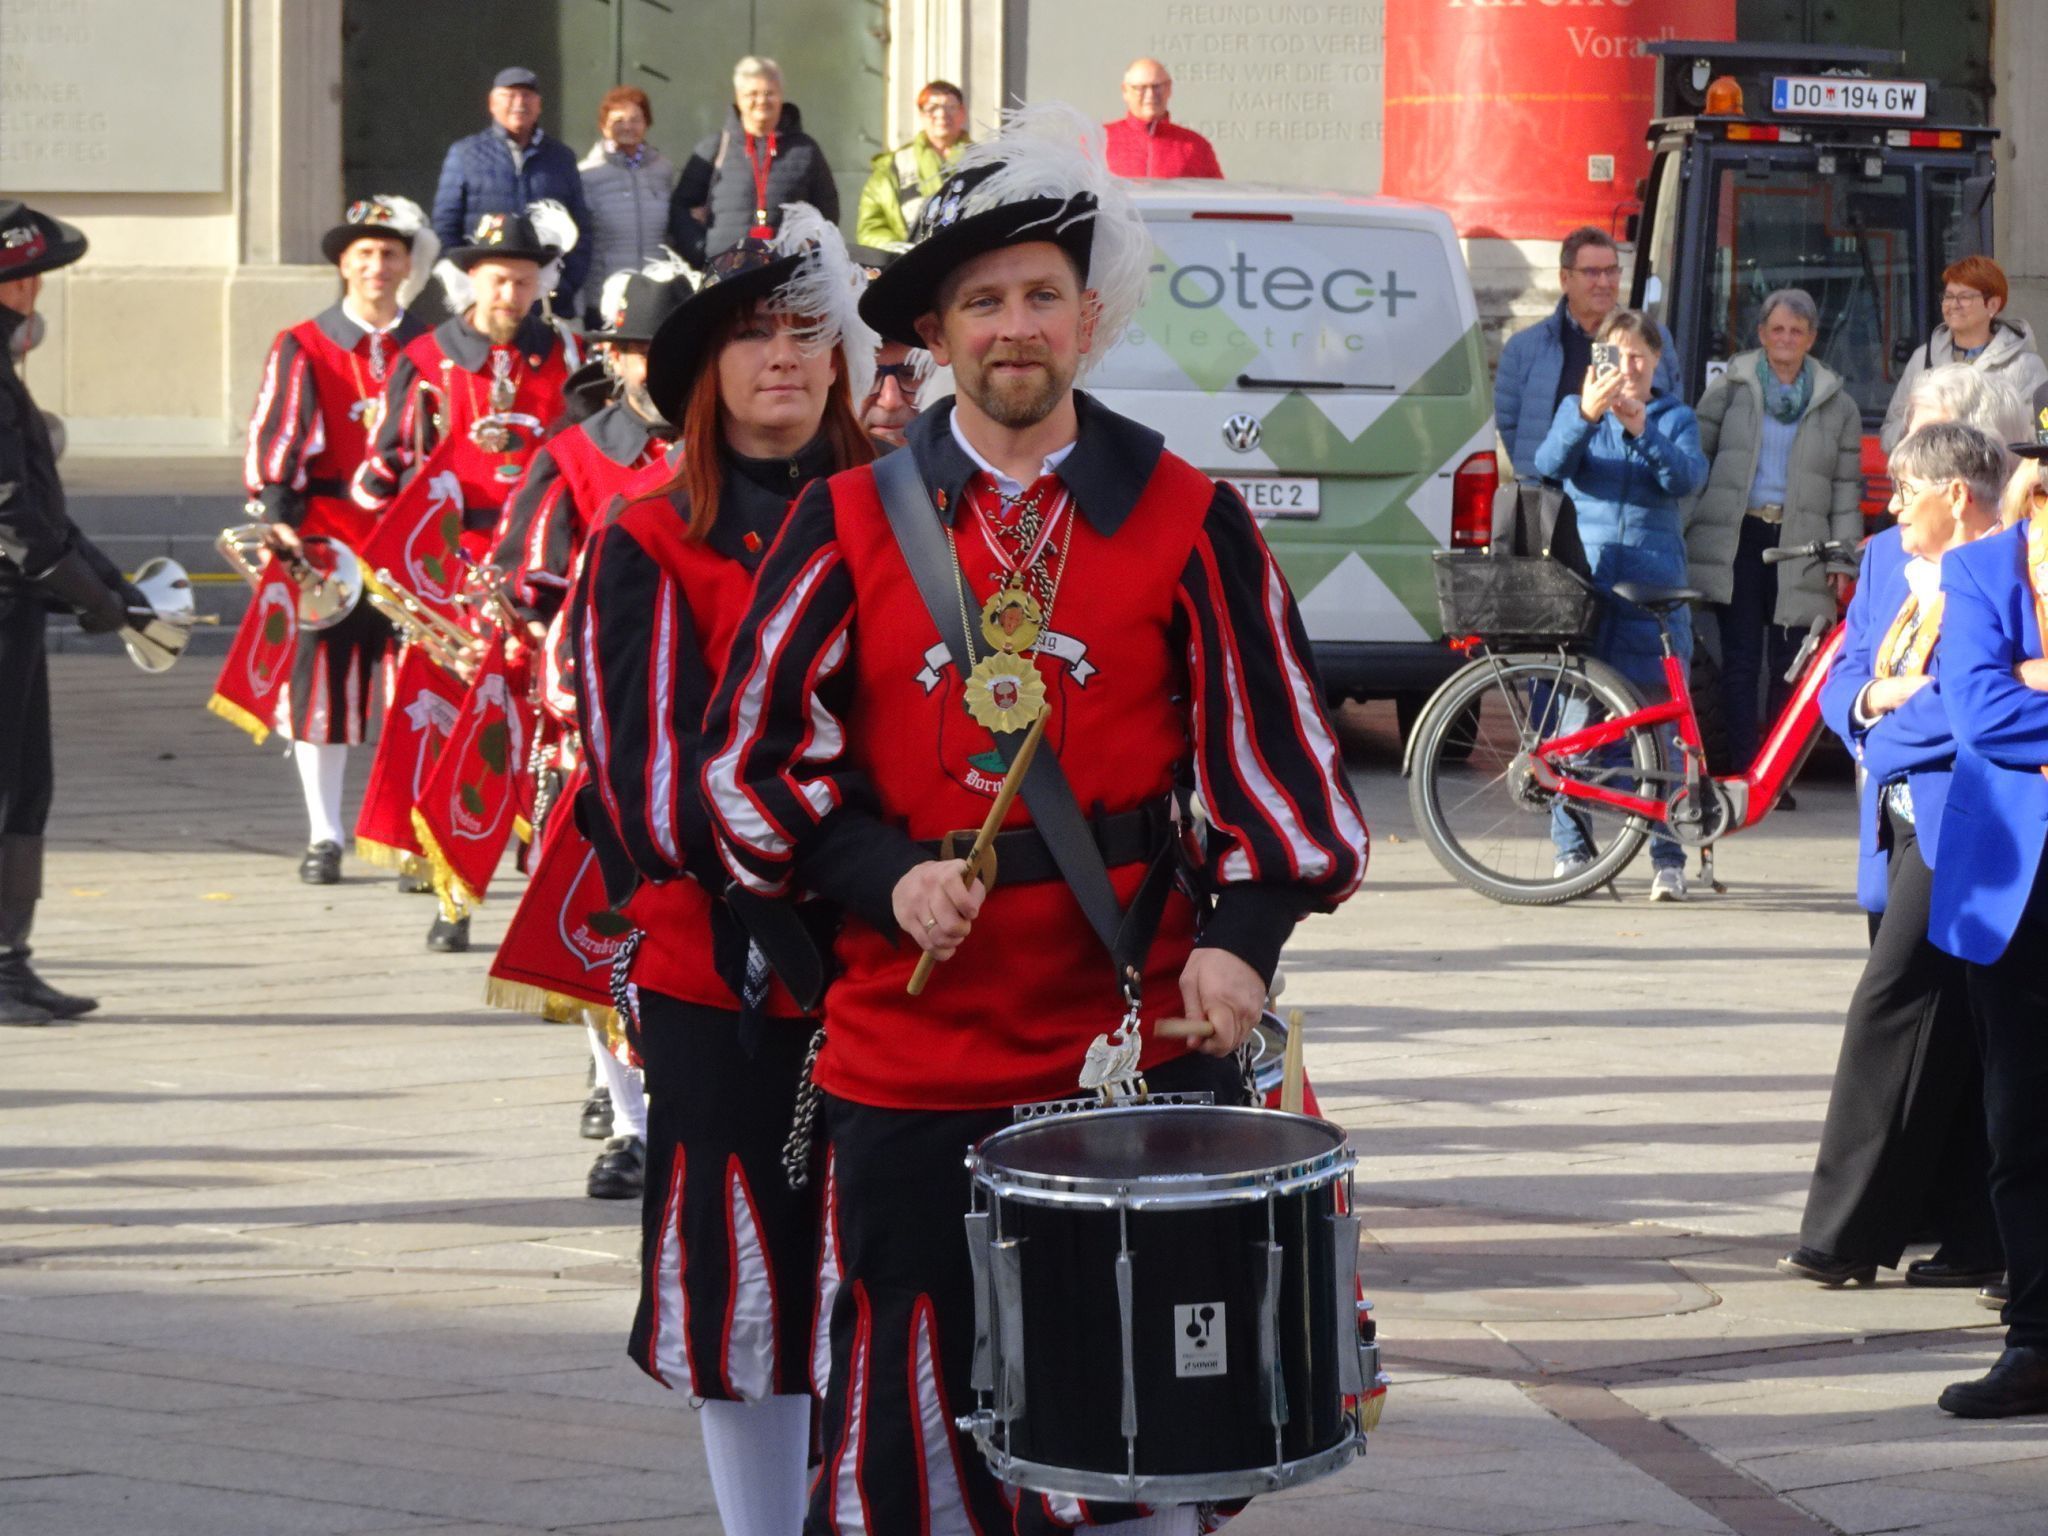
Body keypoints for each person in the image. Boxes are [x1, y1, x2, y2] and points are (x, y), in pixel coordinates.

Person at [700, 106, 1367, 1535]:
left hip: (1130, 1049)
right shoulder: (848, 521)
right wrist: (882, 877)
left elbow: (1283, 766)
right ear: (934, 337)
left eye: (1041, 297)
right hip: (912, 1050)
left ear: (1089, 319)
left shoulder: (1189, 517)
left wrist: (1243, 942)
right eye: (982, 302)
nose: (1015, 328)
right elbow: (751, 768)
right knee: (917, 1424)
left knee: (1145, 1417)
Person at [573, 208, 874, 1536]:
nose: (784, 357)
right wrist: (831, 870)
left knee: (884, 1269)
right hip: (728, 970)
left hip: (905, 961)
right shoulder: (647, 536)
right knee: (744, 1283)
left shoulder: (904, 511)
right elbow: (644, 789)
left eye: (808, 331)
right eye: (753, 336)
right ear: (705, 371)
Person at [1781, 422, 2004, 1291]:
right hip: (1897, 818)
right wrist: (1875, 699)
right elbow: (1843, 679)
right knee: (1952, 1023)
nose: (1894, 506)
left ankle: (1842, 1235)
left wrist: (1887, 737)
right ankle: (1974, 1233)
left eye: (1908, 490)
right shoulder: (1888, 560)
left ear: (1956, 493)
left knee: (1892, 1004)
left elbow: (1967, 704)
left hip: (1967, 819)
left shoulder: (1998, 568)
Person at [491, 256, 693, 1199]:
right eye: (644, 350)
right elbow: (525, 582)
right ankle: (628, 1122)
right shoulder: (573, 455)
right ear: (616, 358)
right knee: (599, 929)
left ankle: (683, 1106)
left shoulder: (735, 447)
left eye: (677, 348)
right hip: (594, 735)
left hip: (706, 735)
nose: (660, 366)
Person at [353, 207, 579, 952]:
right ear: (472, 281)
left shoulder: (568, 352)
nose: (511, 295)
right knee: (455, 736)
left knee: (542, 735)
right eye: (498, 281)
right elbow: (386, 468)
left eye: (523, 281)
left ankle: (541, 883)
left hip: (540, 570)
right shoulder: (426, 359)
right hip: (448, 577)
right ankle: (452, 897)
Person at [241, 197, 435, 885]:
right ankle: (324, 835)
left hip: (414, 543)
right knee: (320, 688)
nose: (377, 266)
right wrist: (277, 514)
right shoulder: (303, 343)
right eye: (365, 254)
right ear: (343, 265)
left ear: (408, 265)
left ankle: (411, 839)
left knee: (418, 693)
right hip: (330, 541)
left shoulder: (436, 346)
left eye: (390, 253)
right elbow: (278, 437)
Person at [0, 201, 155, 1026]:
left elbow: (39, 503)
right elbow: (11, 519)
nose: (37, 292)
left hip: (17, 608)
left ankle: (9, 960)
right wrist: (96, 600)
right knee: (7, 790)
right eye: (28, 278)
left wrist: (108, 581)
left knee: (27, 789)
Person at [1924, 401, 2048, 1419]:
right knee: (2024, 1124)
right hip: (2012, 889)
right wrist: (2019, 682)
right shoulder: (1980, 571)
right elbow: (1979, 712)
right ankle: (2036, 1342)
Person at [1533, 310, 1709, 900]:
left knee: (1663, 733)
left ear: (1657, 361)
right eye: (1615, 355)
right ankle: (1572, 851)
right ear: (1597, 360)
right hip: (1586, 587)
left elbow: (1685, 479)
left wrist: (1642, 430)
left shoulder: (1675, 417)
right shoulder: (1577, 408)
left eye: (1639, 356)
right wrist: (1586, 416)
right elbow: (1548, 466)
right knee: (1575, 726)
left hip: (1654, 589)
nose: (1628, 368)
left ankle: (1667, 858)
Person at [1686, 288, 1863, 773]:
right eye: (1777, 329)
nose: (1786, 338)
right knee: (1741, 660)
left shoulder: (1838, 404)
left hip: (1802, 545)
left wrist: (1842, 557)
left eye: (1796, 331)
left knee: (1792, 665)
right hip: (1739, 540)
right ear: (1762, 334)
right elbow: (1694, 465)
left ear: (1811, 338)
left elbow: (1845, 488)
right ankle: (1744, 771)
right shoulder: (1730, 389)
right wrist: (1678, 534)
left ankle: (1775, 776)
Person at [1497, 228, 1679, 480]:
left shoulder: (1654, 339)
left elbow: (1673, 411)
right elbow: (1510, 426)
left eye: (1611, 270)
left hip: (1627, 489)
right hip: (1549, 491)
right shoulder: (1524, 348)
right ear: (1565, 278)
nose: (1604, 283)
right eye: (1591, 272)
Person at [431, 67, 591, 321]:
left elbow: (581, 226)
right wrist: (468, 287)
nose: (519, 103)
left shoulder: (561, 157)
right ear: (492, 103)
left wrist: (564, 285)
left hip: (547, 301)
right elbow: (445, 226)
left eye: (527, 96)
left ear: (539, 105)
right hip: (483, 300)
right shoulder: (464, 154)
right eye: (510, 95)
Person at [665, 57, 839, 267]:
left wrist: (808, 255)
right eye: (752, 94)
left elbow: (827, 211)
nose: (762, 101)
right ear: (738, 97)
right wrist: (701, 250)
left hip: (785, 272)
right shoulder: (715, 148)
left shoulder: (805, 150)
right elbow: (680, 208)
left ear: (781, 96)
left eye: (769, 93)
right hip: (724, 272)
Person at [1882, 256, 2047, 452]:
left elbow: (2038, 439)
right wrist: (1918, 423)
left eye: (1965, 297)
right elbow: (1889, 436)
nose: (1953, 304)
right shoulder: (1923, 358)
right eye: (1948, 296)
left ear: (1993, 305)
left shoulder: (2024, 365)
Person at [577, 86, 677, 325]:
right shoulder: (586, 174)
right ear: (603, 126)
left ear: (647, 124)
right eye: (618, 120)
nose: (627, 127)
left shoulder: (664, 170)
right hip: (606, 297)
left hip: (656, 295)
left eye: (635, 119)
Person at [857, 80, 971, 249]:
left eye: (950, 107)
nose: (941, 114)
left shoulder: (987, 162)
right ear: (921, 115)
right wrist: (900, 250)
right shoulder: (891, 167)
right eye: (932, 108)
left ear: (963, 113)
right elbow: (871, 227)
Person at [1104, 57, 1222, 179]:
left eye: (1157, 86)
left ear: (1169, 88)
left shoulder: (1195, 146)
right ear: (1125, 91)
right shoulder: (1100, 140)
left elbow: (1216, 190)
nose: (1150, 94)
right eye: (1141, 88)